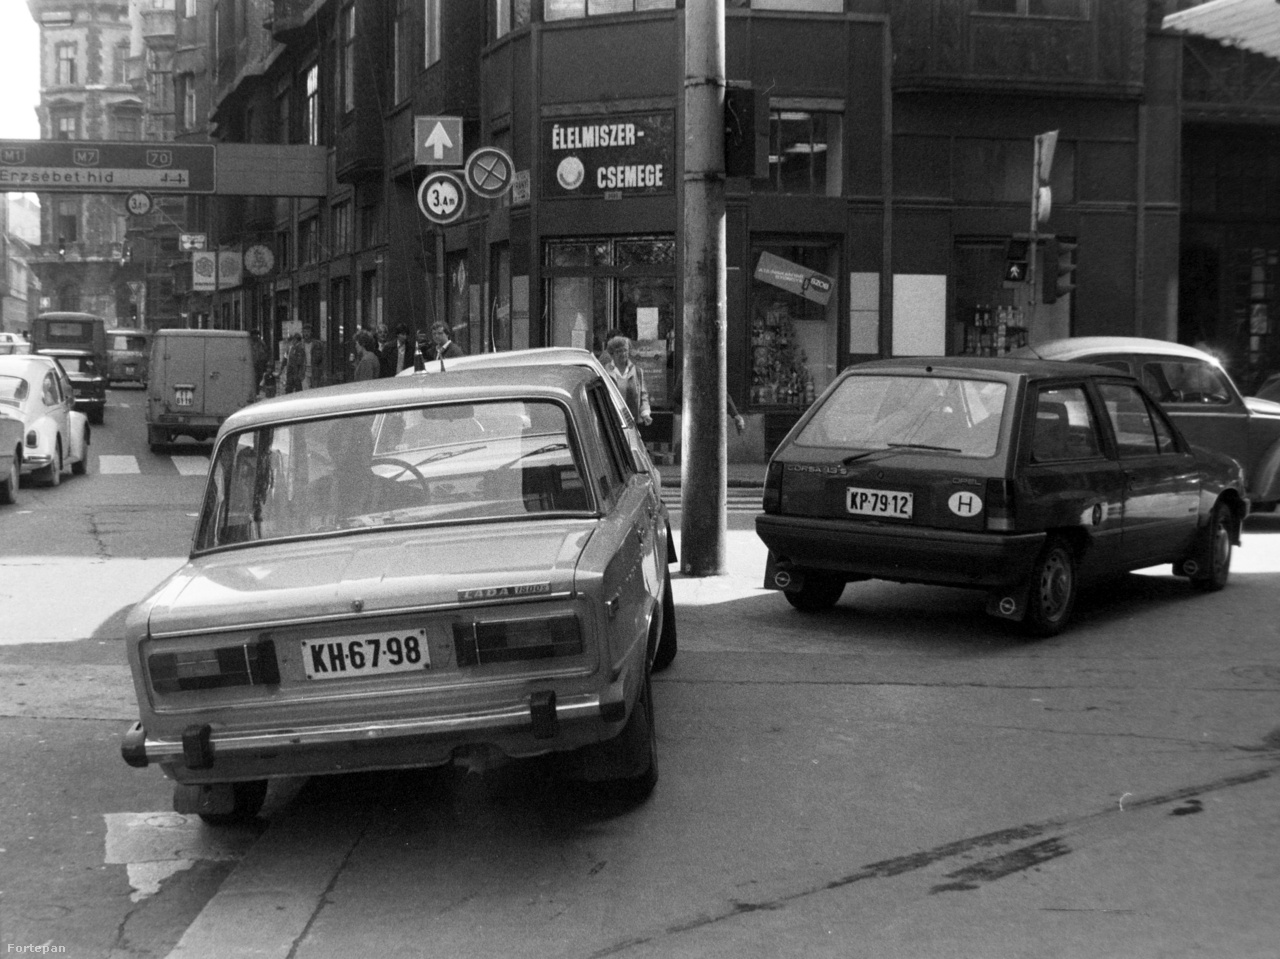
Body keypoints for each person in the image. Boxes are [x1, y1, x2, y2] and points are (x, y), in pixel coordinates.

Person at [672, 366, 745, 434]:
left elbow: (676, 395)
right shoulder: (711, 372)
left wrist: (690, 406)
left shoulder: (686, 371)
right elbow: (723, 394)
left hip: (691, 419)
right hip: (710, 419)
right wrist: (736, 414)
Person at [603, 334, 651, 426]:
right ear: (612, 354)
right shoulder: (605, 372)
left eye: (625, 350)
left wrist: (645, 414)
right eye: (619, 351)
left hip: (632, 422)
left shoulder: (637, 371)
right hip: (612, 421)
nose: (623, 354)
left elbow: (643, 395)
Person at [284, 325, 325, 393]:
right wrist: (296, 374)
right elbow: (294, 362)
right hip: (304, 372)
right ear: (302, 333)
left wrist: (323, 372)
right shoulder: (299, 347)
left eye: (308, 331)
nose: (306, 334)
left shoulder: (318, 344)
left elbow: (323, 359)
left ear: (311, 332)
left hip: (315, 371)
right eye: (304, 332)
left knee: (316, 391)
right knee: (306, 391)